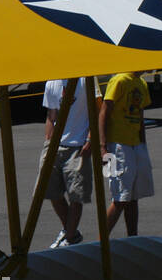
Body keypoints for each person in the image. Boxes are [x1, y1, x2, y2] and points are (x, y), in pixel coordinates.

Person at [40, 78, 99, 248]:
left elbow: (97, 110)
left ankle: (69, 237)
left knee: (76, 194)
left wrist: (90, 138)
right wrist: (48, 141)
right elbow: (51, 116)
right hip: (55, 145)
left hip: (78, 144)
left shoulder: (86, 79)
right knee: (49, 190)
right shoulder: (52, 82)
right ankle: (70, 232)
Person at [100, 70, 153, 235]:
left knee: (133, 196)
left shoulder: (142, 83)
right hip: (117, 146)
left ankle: (132, 237)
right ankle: (101, 241)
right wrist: (103, 147)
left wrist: (143, 143)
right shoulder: (119, 80)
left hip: (135, 145)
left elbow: (140, 116)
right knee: (120, 198)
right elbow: (103, 114)